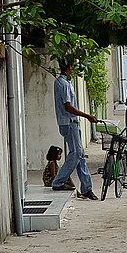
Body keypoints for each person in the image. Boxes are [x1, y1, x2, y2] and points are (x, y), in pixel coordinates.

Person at [52, 60, 98, 198]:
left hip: (71, 122)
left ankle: (86, 187)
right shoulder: (64, 84)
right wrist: (87, 116)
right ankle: (58, 182)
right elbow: (68, 107)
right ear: (69, 67)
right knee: (76, 153)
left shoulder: (63, 82)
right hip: (69, 122)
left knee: (80, 155)